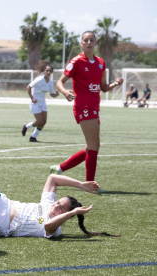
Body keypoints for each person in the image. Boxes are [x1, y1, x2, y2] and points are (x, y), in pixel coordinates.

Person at [50, 31, 123, 184]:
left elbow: (103, 88)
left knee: (89, 148)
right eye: (86, 40)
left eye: (91, 40)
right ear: (81, 43)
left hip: (95, 106)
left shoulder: (101, 62)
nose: (89, 42)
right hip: (83, 106)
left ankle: (59, 169)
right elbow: (59, 82)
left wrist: (115, 84)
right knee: (94, 145)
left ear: (95, 43)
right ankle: (90, 184)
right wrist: (64, 92)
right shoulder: (76, 61)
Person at [21, 61, 59, 142]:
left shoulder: (50, 82)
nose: (48, 72)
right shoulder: (39, 79)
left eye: (50, 71)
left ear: (52, 72)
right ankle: (26, 126)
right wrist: (32, 98)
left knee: (44, 122)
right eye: (47, 70)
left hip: (42, 103)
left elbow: (51, 94)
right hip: (35, 103)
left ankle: (33, 137)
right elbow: (28, 87)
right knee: (40, 121)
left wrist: (56, 94)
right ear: (44, 71)